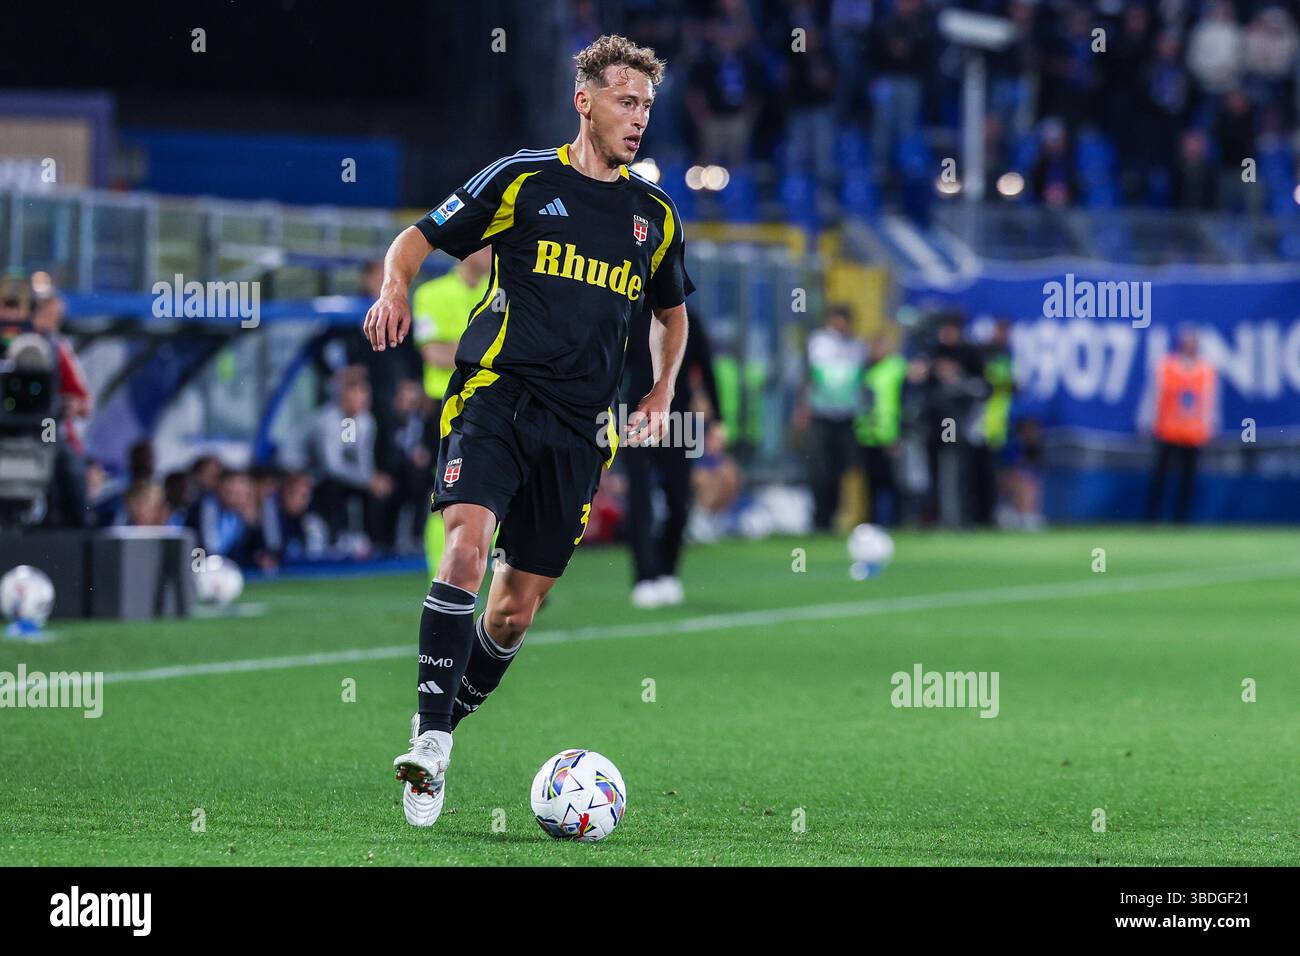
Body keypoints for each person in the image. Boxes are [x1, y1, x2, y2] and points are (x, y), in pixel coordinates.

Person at [362, 35, 692, 830]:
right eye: (624, 99)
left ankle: (435, 723)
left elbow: (672, 316)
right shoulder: (521, 179)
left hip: (581, 430)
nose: (638, 116)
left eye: (646, 103)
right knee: (466, 547)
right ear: (585, 101)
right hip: (495, 396)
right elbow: (414, 239)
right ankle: (434, 743)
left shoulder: (654, 218)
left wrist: (661, 392)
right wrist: (393, 289)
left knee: (512, 612)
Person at [622, 305, 719, 608]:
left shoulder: (688, 320)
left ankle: (667, 570)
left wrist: (719, 421)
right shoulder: (631, 317)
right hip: (634, 418)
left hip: (677, 421)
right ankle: (643, 576)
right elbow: (613, 368)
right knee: (640, 499)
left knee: (679, 500)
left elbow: (706, 367)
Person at [411, 246, 493, 578]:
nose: (492, 250)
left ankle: (494, 570)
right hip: (446, 408)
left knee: (495, 493)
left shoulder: (505, 291)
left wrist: (460, 348)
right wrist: (492, 350)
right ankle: (440, 575)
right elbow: (434, 354)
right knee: (443, 497)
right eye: (485, 243)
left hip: (491, 405)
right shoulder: (432, 293)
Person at [796, 304, 865, 531]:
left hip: (846, 416)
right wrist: (803, 408)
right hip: (821, 415)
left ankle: (833, 517)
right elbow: (809, 377)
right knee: (819, 470)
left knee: (840, 470)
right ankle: (819, 519)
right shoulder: (819, 342)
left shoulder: (857, 346)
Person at [1140, 327, 1219, 522]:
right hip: (1168, 430)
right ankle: (1152, 517)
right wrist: (1146, 419)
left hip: (1193, 433)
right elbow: (1153, 395)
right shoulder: (1166, 366)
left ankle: (1181, 519)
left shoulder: (1205, 370)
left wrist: (1211, 424)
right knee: (1160, 477)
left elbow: (1211, 401)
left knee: (1187, 479)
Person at [855, 336, 906, 527]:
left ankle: (893, 522)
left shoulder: (896, 368)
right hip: (868, 435)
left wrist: (899, 433)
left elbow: (902, 402)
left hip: (889, 435)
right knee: (871, 483)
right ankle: (874, 522)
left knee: (892, 483)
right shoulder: (866, 370)